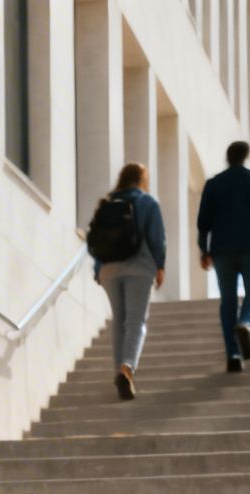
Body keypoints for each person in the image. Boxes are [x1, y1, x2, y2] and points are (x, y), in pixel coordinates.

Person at [196, 140, 250, 374]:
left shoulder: (213, 184)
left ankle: (232, 354)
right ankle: (246, 323)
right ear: (246, 156)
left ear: (228, 157)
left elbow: (204, 223)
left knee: (228, 301)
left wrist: (204, 250)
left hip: (222, 250)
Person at [88, 162, 168, 401]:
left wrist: (98, 269)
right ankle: (127, 368)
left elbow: (96, 241)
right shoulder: (148, 202)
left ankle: (119, 373)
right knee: (135, 321)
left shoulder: (106, 204)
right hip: (139, 267)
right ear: (141, 178)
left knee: (119, 321)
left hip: (109, 270)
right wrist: (160, 265)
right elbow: (157, 237)